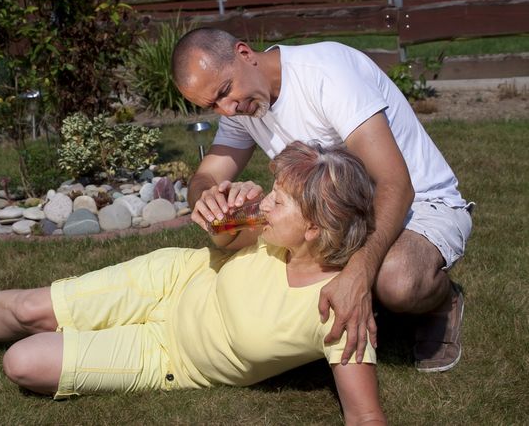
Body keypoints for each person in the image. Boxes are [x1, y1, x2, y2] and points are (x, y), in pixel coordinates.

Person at [0, 141, 385, 425]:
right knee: (30, 310)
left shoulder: (339, 310)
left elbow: (364, 415)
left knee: (21, 362)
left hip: (171, 360)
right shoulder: (274, 234)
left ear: (316, 226)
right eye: (271, 191)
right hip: (171, 278)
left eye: (280, 199)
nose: (268, 202)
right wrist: (232, 214)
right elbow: (221, 246)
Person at [170, 27, 474, 372]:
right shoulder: (242, 106)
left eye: (225, 91)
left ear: (244, 53)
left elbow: (396, 185)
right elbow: (208, 175)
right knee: (232, 228)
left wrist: (360, 271)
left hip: (419, 205)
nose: (227, 109)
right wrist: (206, 197)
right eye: (213, 105)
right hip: (340, 215)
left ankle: (441, 300)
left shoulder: (325, 74)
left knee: (397, 281)